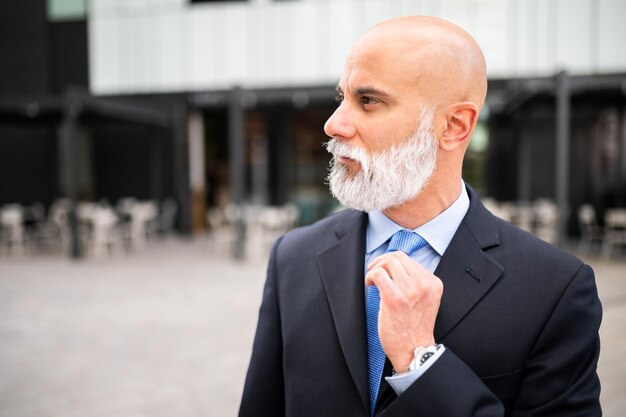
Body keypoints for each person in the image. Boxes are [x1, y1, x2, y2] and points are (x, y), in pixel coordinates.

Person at [238, 16, 602, 417]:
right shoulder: (293, 256)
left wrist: (421, 362)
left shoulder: (555, 288)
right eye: (341, 97)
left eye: (368, 101)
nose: (334, 123)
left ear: (453, 126)